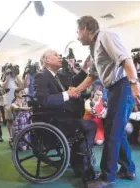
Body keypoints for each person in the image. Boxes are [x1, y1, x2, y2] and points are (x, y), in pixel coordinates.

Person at [73, 16, 140, 187]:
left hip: (123, 86)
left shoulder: (105, 36)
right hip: (114, 89)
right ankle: (128, 169)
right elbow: (92, 75)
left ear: (85, 28)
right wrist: (77, 90)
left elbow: (125, 59)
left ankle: (107, 177)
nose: (77, 36)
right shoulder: (93, 47)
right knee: (118, 132)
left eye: (78, 31)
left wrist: (134, 83)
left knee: (112, 133)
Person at [34, 49, 97, 181]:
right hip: (54, 119)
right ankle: (82, 163)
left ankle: (79, 161)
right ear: (47, 60)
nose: (59, 57)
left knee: (87, 125)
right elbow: (43, 100)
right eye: (56, 55)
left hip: (67, 115)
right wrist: (67, 94)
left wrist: (85, 69)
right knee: (90, 126)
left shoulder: (60, 75)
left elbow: (73, 83)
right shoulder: (41, 75)